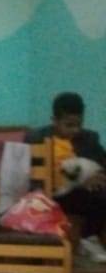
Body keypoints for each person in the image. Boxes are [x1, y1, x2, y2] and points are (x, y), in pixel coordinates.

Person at [26, 92, 106, 262]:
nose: (75, 130)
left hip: (80, 193)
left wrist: (97, 176)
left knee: (100, 195)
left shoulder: (89, 139)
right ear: (54, 120)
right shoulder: (36, 138)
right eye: (69, 125)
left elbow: (102, 163)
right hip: (47, 193)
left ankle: (88, 238)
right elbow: (26, 173)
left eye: (79, 124)